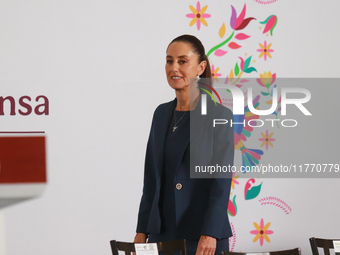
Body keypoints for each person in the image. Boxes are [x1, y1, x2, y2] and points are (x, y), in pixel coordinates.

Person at [134, 34, 234, 255]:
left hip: (202, 236)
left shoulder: (219, 115)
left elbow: (221, 182)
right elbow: (151, 179)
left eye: (182, 61)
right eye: (169, 61)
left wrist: (211, 233)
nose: (174, 68)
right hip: (162, 234)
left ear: (200, 67)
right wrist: (142, 230)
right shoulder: (161, 114)